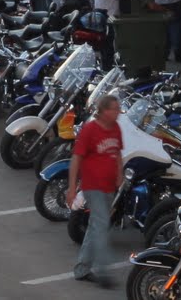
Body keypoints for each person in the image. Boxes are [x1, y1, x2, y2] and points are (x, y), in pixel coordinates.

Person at [68, 94, 123, 285]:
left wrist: (119, 174)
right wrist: (72, 188)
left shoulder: (115, 128)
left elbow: (117, 153)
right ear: (104, 111)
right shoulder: (90, 130)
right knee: (100, 225)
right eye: (115, 109)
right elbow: (76, 159)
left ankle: (82, 268)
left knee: (95, 226)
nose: (118, 112)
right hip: (93, 186)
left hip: (109, 186)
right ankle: (103, 270)